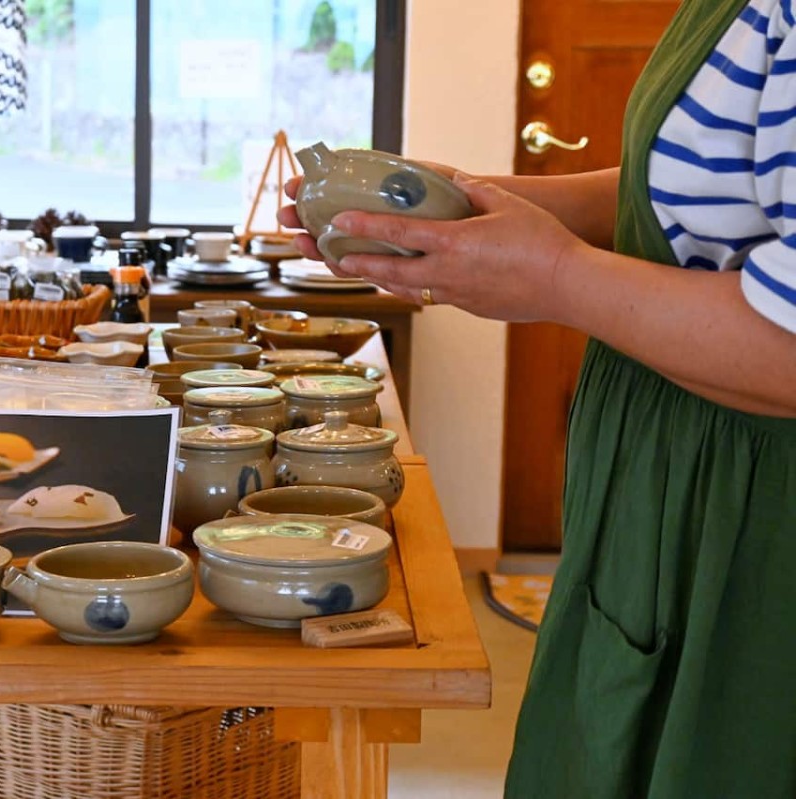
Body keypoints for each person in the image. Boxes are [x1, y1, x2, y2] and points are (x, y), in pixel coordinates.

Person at [280, 0, 795, 796]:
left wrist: (554, 275)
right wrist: (462, 208)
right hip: (669, 482)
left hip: (754, 523)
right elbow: (684, 188)